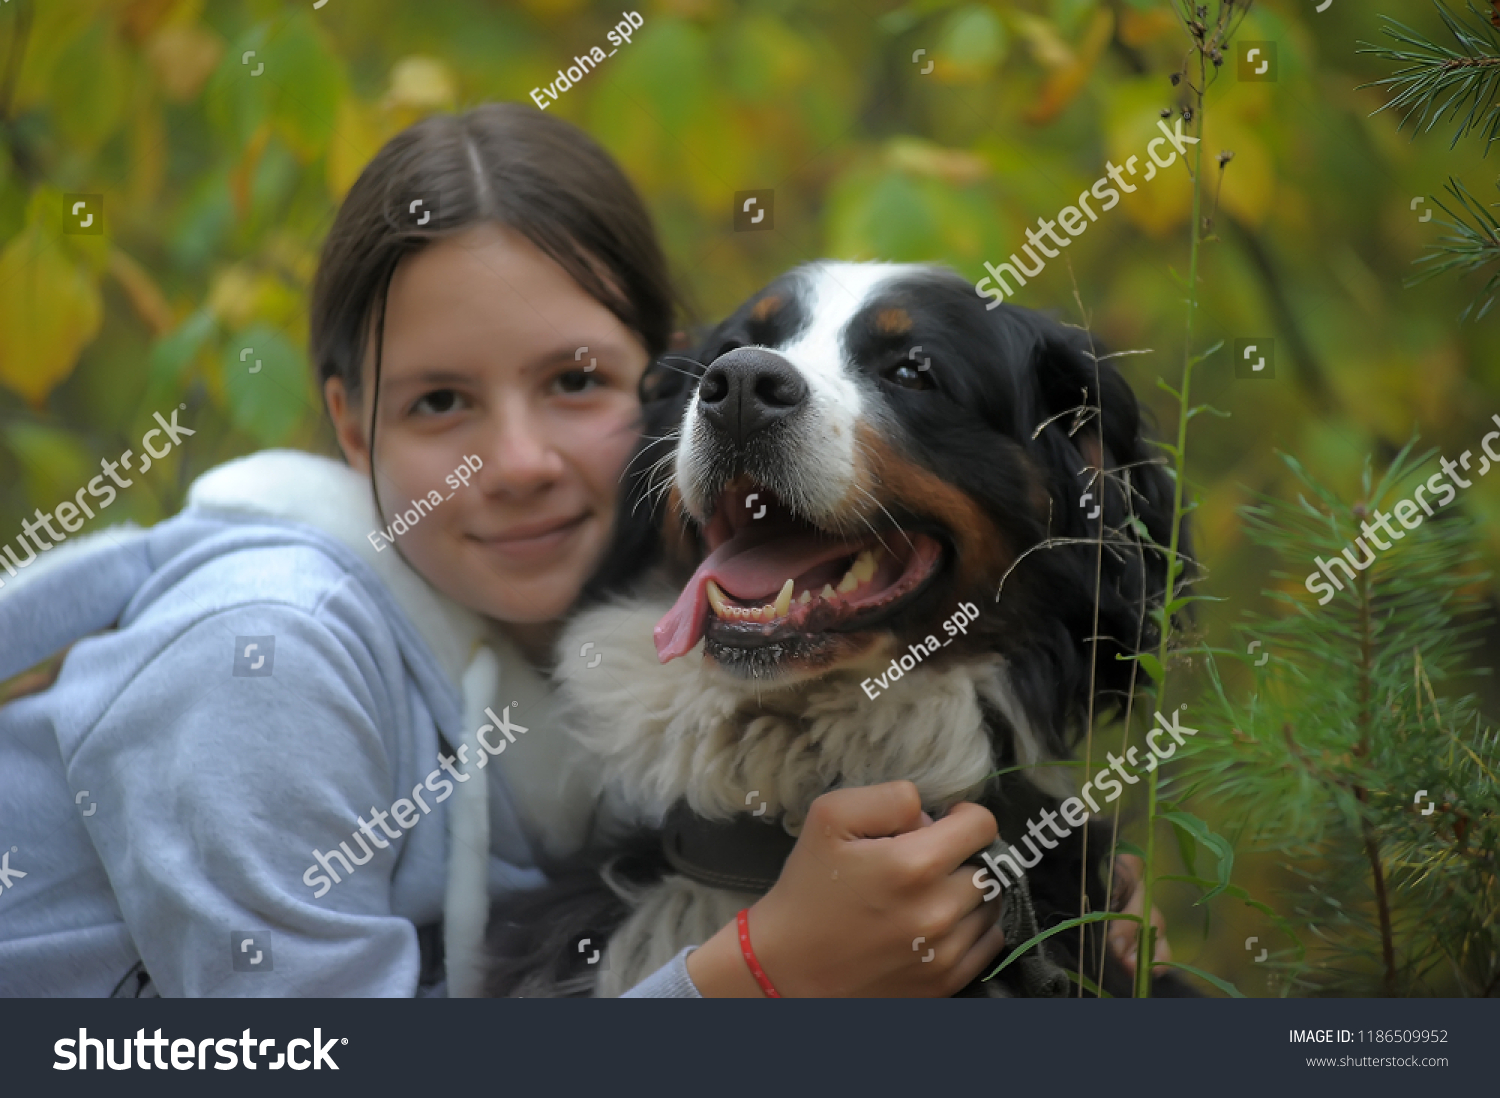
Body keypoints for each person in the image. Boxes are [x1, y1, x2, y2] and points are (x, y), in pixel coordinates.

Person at [0, 103, 1158, 997]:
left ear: (651, 390)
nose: (516, 464)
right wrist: (755, 980)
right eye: (440, 402)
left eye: (573, 382)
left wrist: (1046, 891)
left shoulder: (537, 669)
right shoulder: (261, 656)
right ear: (351, 425)